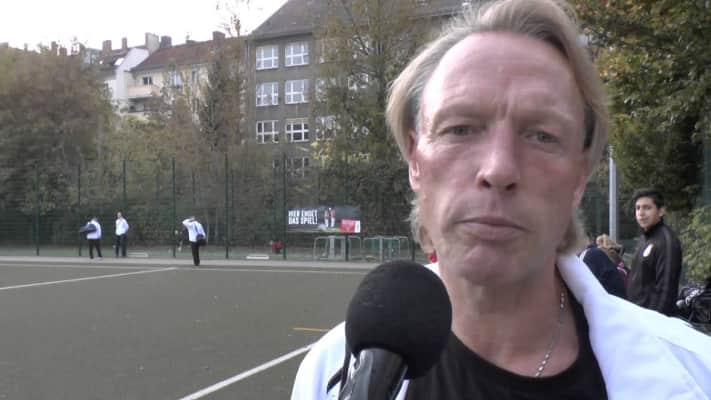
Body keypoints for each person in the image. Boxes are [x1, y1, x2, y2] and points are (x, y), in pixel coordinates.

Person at [291, 1, 711, 399]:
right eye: (460, 129)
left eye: (542, 135)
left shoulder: (698, 372)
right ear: (415, 160)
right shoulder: (328, 376)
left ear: (579, 176)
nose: (498, 168)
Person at [628, 188, 683, 316]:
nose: (641, 213)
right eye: (638, 208)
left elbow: (665, 289)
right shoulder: (643, 239)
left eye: (647, 208)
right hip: (636, 316)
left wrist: (652, 321)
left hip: (652, 321)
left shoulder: (666, 241)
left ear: (661, 211)